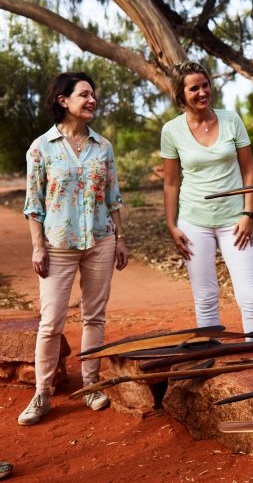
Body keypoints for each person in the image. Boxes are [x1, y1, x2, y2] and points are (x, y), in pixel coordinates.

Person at [20, 72, 130, 425]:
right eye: (84, 94)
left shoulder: (104, 146)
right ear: (63, 101)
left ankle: (91, 385)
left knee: (94, 316)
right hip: (58, 245)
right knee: (51, 322)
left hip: (100, 240)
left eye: (93, 94)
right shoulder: (41, 148)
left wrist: (121, 238)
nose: (92, 99)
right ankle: (42, 394)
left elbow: (113, 198)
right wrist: (38, 246)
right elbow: (33, 204)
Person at [161, 61, 253, 339]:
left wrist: (248, 214)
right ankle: (211, 360)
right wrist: (171, 226)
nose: (201, 92)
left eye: (205, 85)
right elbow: (171, 182)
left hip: (235, 220)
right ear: (181, 94)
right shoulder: (171, 131)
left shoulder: (231, 120)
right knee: (206, 298)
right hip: (194, 222)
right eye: (193, 88)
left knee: (252, 296)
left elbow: (248, 170)